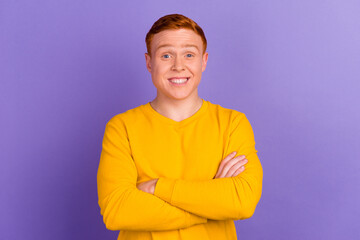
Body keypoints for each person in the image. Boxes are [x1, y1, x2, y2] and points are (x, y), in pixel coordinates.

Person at [97, 13, 263, 240]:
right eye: (166, 55)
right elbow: (117, 211)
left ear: (203, 61)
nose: (178, 66)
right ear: (149, 62)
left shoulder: (232, 124)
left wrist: (158, 188)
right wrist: (211, 203)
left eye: (189, 54)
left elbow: (242, 201)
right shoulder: (122, 128)